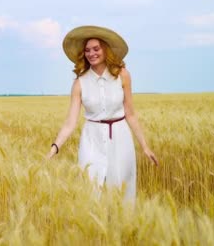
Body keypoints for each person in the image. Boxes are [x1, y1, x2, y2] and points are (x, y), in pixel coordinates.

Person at [47, 25, 158, 201]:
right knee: (90, 190)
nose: (91, 54)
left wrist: (145, 147)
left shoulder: (123, 75)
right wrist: (55, 148)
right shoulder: (79, 83)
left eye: (96, 49)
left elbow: (131, 114)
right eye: (87, 50)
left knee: (122, 192)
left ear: (105, 50)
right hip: (91, 139)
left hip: (120, 139)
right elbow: (70, 122)